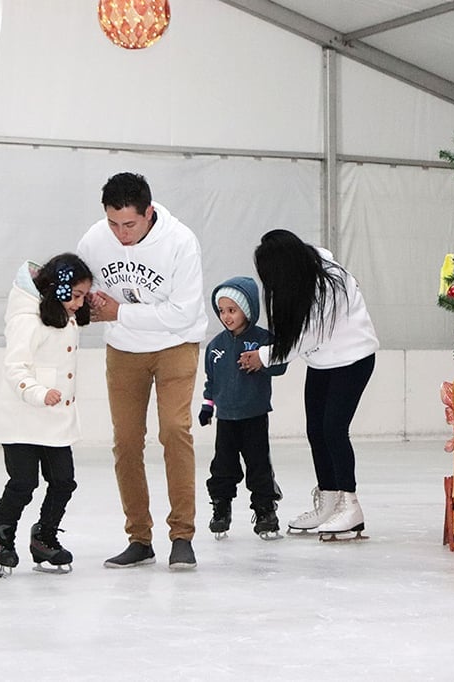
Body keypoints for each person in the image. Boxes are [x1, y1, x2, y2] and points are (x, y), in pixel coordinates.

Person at [77, 172, 208, 570]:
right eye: (113, 223)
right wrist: (89, 307)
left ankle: (182, 535)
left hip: (176, 344)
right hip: (124, 349)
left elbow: (182, 313)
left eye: (129, 224)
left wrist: (121, 312)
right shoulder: (94, 241)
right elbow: (86, 296)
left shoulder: (180, 242)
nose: (120, 233)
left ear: (149, 213)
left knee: (174, 429)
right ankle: (139, 537)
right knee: (127, 441)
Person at [239, 229, 379, 539]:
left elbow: (306, 337)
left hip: (354, 360)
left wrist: (263, 356)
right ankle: (329, 501)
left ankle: (350, 506)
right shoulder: (304, 276)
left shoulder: (331, 283)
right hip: (323, 362)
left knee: (333, 429)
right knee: (316, 430)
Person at [0, 253, 93, 576]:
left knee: (64, 482)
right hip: (22, 419)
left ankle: (44, 537)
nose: (79, 303)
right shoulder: (27, 319)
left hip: (55, 421)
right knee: (23, 482)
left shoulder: (64, 313)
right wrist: (39, 392)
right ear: (57, 289)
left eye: (83, 296)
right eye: (75, 295)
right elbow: (14, 368)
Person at [199, 276, 287, 540]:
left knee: (258, 466)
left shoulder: (263, 340)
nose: (226, 316)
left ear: (247, 309)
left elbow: (280, 365)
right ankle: (221, 508)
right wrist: (207, 406)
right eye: (222, 311)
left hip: (254, 416)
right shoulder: (216, 346)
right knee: (222, 467)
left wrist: (263, 360)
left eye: (232, 310)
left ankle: (265, 512)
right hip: (226, 418)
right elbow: (211, 381)